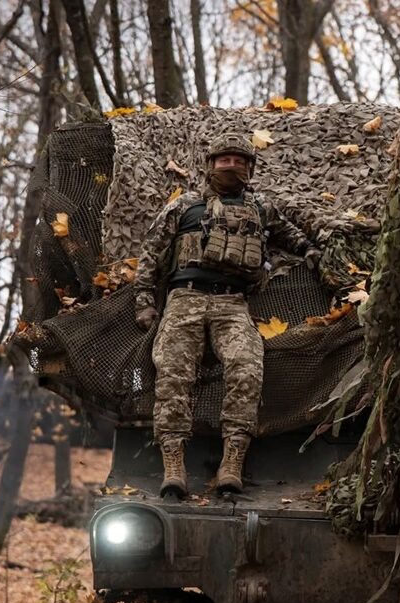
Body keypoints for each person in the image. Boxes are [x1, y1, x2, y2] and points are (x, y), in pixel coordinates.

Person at [134, 134, 321, 498]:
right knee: (172, 372)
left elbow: (289, 234)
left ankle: (231, 462)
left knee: (247, 368)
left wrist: (310, 250)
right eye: (225, 160)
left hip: (232, 305)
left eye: (239, 160)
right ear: (210, 165)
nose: (231, 165)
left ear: (250, 168)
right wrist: (144, 300)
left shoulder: (262, 208)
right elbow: (151, 253)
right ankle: (174, 466)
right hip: (184, 300)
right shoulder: (184, 206)